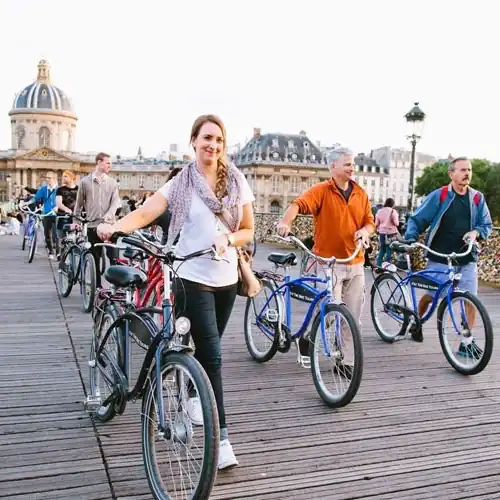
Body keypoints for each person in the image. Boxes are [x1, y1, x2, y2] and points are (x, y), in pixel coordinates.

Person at [97, 114, 255, 470]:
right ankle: (223, 441)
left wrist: (228, 238)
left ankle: (188, 392)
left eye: (218, 140)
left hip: (226, 278)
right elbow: (145, 213)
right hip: (189, 275)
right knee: (212, 356)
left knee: (203, 348)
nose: (212, 145)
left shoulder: (236, 180)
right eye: (206, 138)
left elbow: (248, 230)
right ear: (194, 141)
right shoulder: (181, 184)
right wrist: (114, 227)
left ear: (223, 145)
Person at [277, 147, 375, 371]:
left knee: (351, 317)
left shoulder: (361, 193)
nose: (352, 168)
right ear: (333, 167)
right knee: (330, 310)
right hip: (328, 263)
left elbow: (370, 221)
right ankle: (309, 337)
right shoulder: (321, 190)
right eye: (347, 164)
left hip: (356, 261)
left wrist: (366, 232)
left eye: (353, 164)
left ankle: (345, 362)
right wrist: (285, 222)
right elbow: (297, 205)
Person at [404, 157, 493, 346]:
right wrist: (411, 237)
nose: (467, 173)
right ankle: (416, 321)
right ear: (451, 174)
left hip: (466, 256)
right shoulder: (440, 196)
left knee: (470, 298)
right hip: (440, 256)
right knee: (431, 297)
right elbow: (418, 219)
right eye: (462, 170)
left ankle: (466, 342)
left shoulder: (477, 198)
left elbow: (486, 224)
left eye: (469, 170)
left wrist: (476, 232)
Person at [74, 152, 121, 287]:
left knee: (114, 257)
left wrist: (109, 215)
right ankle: (97, 287)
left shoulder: (112, 183)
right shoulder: (84, 182)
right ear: (99, 162)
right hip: (92, 226)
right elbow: (79, 204)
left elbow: (115, 203)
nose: (110, 166)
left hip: (109, 226)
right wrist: (76, 222)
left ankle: (116, 286)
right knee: (95, 258)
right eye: (107, 163)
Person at [34, 171, 59, 259]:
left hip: (57, 214)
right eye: (46, 178)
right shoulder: (44, 189)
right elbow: (36, 198)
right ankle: (51, 252)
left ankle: (58, 253)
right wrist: (27, 203)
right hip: (47, 214)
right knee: (47, 234)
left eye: (49, 178)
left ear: (54, 178)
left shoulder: (60, 189)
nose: (47, 179)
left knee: (57, 234)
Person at [55, 170, 78, 256]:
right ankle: (62, 259)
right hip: (63, 216)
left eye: (65, 176)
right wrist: (66, 209)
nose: (63, 178)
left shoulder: (79, 189)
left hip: (75, 217)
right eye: (63, 176)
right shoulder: (60, 189)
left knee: (74, 240)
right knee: (62, 239)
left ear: (72, 177)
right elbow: (58, 203)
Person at [375, 198, 399, 267]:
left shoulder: (379, 211)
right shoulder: (393, 211)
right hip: (391, 233)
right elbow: (396, 223)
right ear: (392, 204)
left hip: (382, 233)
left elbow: (376, 224)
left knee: (382, 250)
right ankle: (386, 266)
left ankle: (379, 266)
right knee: (389, 250)